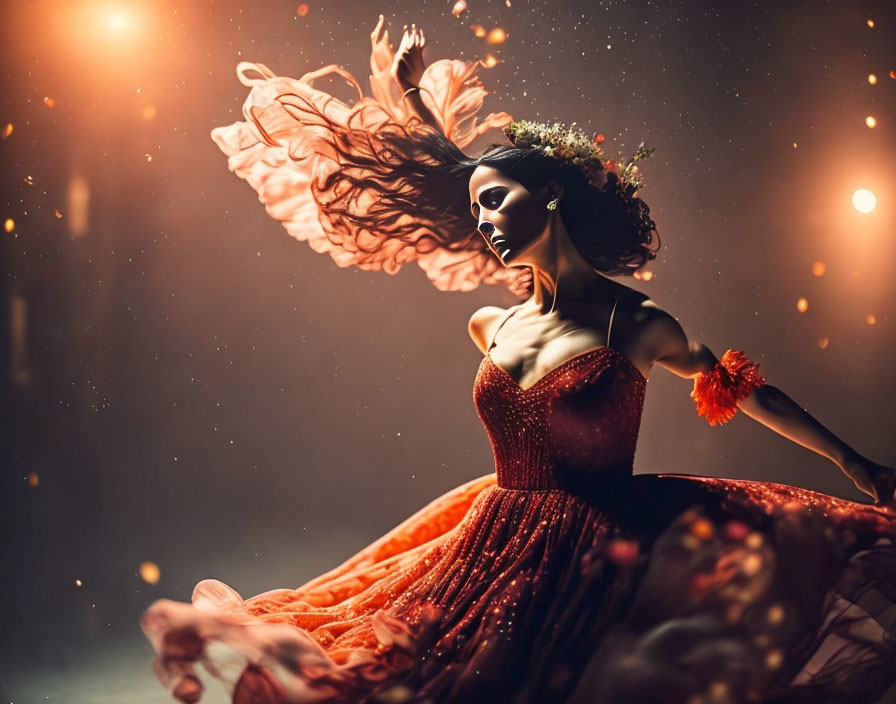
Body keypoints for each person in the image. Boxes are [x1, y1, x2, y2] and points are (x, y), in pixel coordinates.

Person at [140, 17, 896, 704]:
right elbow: (462, 168)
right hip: (492, 543)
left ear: (554, 195)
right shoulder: (490, 324)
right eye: (477, 212)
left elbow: (739, 390)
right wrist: (412, 99)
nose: (486, 222)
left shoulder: (634, 322)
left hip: (602, 555)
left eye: (498, 202)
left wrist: (854, 462)